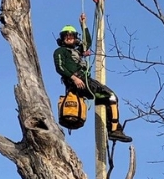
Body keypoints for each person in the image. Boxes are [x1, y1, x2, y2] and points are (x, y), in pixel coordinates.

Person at [53, 13, 133, 143]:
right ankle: (114, 130)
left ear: (75, 38)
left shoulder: (77, 52)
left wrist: (83, 24)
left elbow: (87, 42)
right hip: (78, 82)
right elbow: (60, 68)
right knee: (111, 96)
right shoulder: (60, 52)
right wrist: (74, 78)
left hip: (84, 81)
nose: (69, 38)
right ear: (62, 39)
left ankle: (112, 128)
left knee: (106, 98)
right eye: (66, 36)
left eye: (71, 36)